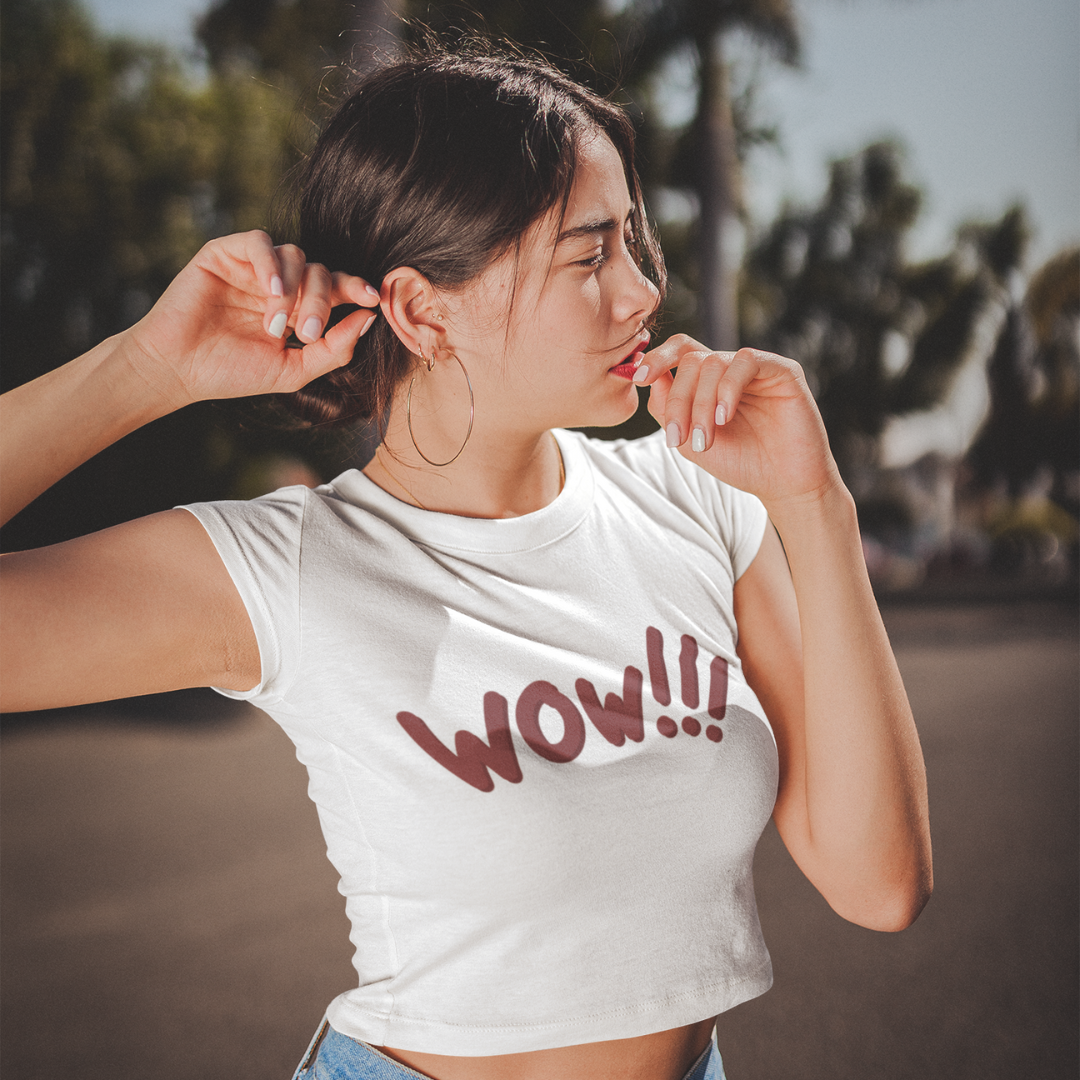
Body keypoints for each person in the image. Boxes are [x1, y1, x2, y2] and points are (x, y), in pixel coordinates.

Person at [0, 43, 932, 1080]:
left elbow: (880, 885)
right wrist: (146, 368)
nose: (640, 292)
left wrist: (816, 502)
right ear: (421, 310)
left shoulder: (699, 502)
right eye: (588, 257)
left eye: (632, 239)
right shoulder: (293, 568)